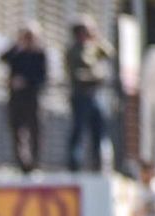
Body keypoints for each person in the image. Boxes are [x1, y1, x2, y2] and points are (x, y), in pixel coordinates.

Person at [65, 17, 113, 173]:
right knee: (79, 131)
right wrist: (97, 76)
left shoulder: (93, 47)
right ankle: (75, 166)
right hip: (81, 95)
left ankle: (98, 165)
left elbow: (109, 52)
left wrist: (97, 38)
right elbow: (79, 74)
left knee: (98, 131)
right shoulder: (74, 50)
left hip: (95, 95)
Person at [0, 24, 46, 174]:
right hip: (16, 99)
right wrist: (17, 44)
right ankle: (21, 164)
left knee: (35, 131)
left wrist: (26, 82)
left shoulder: (39, 54)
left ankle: (35, 163)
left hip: (32, 98)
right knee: (17, 131)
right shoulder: (17, 53)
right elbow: (2, 57)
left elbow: (42, 78)